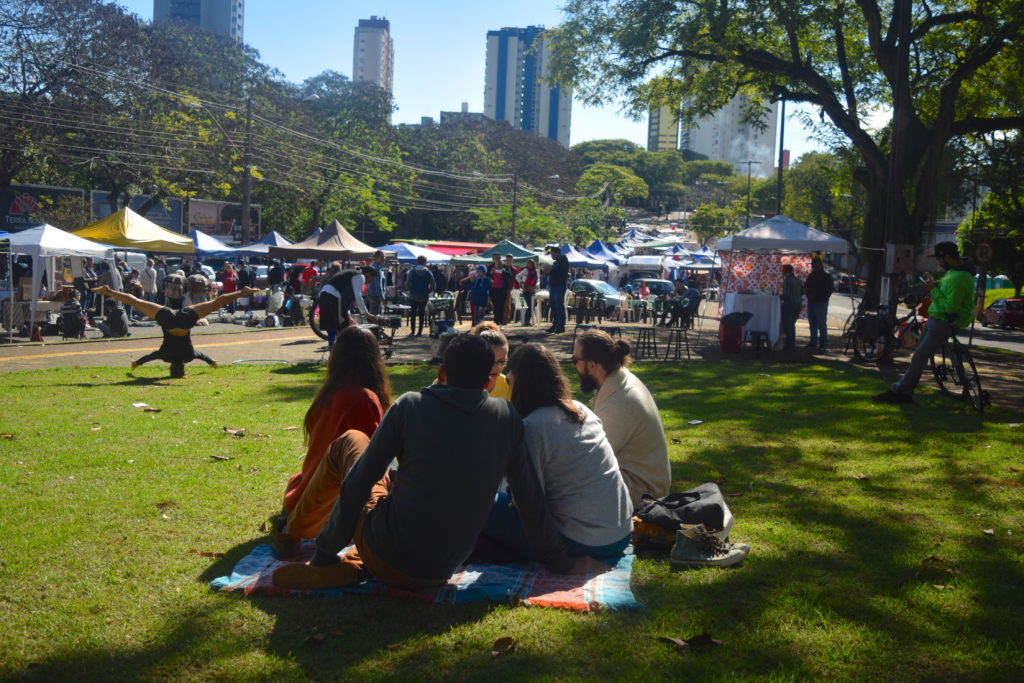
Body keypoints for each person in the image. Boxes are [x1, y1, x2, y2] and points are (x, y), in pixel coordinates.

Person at [271, 334, 592, 591]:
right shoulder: (507, 418)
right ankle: (354, 567)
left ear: (441, 373)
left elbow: (358, 482)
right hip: (442, 569)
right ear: (488, 381)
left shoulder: (409, 405)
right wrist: (558, 561)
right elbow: (529, 499)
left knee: (352, 441)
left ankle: (294, 535)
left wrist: (325, 553)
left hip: (385, 551)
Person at [479, 343, 633, 565]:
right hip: (620, 535)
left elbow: (529, 505)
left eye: (510, 380)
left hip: (583, 543)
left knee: (481, 503)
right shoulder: (581, 409)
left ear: (519, 383)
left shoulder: (532, 428)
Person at [272, 326, 392, 558]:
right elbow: (366, 466)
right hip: (331, 505)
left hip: (303, 494)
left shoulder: (327, 395)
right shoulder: (364, 398)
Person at [572, 330, 671, 508]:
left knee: (565, 489)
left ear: (593, 365)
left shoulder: (619, 403)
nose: (574, 367)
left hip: (643, 493)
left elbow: (589, 460)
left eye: (575, 361)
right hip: (641, 483)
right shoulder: (618, 380)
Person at [873, 242, 977, 404]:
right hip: (936, 318)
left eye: (939, 259)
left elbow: (951, 307)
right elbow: (946, 292)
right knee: (918, 357)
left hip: (944, 321)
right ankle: (905, 392)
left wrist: (933, 290)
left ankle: (898, 390)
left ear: (947, 257)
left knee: (919, 357)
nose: (938, 262)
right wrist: (935, 284)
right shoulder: (953, 273)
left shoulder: (960, 278)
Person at [91, 284, 257, 377]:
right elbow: (150, 356)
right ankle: (108, 291)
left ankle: (243, 292)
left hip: (185, 321)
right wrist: (136, 364)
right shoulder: (166, 356)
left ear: (183, 369)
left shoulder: (189, 356)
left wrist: (213, 363)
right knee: (136, 302)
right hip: (168, 320)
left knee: (216, 303)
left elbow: (204, 356)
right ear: (171, 369)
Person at [318, 266, 379, 350]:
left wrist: (349, 316)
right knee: (342, 325)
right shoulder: (360, 276)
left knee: (331, 324)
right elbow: (358, 296)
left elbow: (345, 301)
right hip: (334, 295)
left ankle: (331, 347)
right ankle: (343, 349)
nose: (368, 283)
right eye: (371, 279)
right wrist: (366, 313)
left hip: (324, 293)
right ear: (368, 274)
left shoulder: (350, 273)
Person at [469, 322, 510, 399]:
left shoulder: (507, 385)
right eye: (489, 361)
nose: (495, 367)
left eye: (501, 361)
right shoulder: (462, 385)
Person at [804, 257, 834, 349]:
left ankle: (823, 343)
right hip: (811, 301)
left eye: (814, 264)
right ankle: (813, 342)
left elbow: (830, 289)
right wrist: (808, 294)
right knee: (812, 323)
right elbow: (806, 286)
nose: (813, 266)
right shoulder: (811, 275)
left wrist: (825, 297)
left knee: (821, 323)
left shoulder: (826, 276)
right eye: (812, 265)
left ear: (820, 265)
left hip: (821, 302)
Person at [405, 255, 435, 337]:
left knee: (413, 314)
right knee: (421, 314)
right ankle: (419, 332)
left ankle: (412, 331)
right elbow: (433, 286)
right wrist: (427, 291)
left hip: (413, 296)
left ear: (417, 262)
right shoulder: (428, 272)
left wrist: (411, 289)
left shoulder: (412, 271)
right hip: (424, 296)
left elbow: (408, 284)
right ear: (425, 262)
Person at [780, 264, 804, 351]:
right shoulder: (797, 280)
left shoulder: (787, 281)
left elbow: (785, 295)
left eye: (783, 271)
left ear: (785, 272)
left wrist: (778, 297)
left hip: (789, 305)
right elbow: (802, 291)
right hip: (798, 305)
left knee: (788, 326)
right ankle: (791, 344)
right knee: (792, 325)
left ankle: (790, 346)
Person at [546, 246, 569, 333]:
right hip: (553, 285)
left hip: (559, 286)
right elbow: (553, 273)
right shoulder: (556, 262)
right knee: (554, 306)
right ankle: (555, 324)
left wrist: (549, 270)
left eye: (552, 253)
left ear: (557, 253)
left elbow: (559, 272)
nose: (551, 255)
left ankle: (561, 326)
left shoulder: (563, 261)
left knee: (559, 305)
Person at [487, 253, 512, 326]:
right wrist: (490, 274)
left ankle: (501, 321)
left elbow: (510, 276)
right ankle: (496, 321)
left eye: (498, 258)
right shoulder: (491, 266)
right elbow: (487, 276)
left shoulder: (505, 266)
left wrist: (505, 271)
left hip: (502, 289)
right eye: (495, 258)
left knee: (501, 306)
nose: (497, 259)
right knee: (495, 306)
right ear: (493, 259)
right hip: (493, 289)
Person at [516, 258, 539, 326]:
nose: (530, 265)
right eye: (528, 263)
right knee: (528, 305)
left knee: (533, 305)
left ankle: (528, 321)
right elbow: (517, 277)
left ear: (533, 264)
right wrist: (521, 282)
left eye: (531, 263)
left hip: (532, 290)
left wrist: (535, 286)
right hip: (526, 290)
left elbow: (536, 280)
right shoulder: (526, 270)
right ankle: (526, 321)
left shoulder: (535, 271)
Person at [366, 250, 387, 315]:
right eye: (382, 257)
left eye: (384, 257)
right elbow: (378, 284)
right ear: (376, 258)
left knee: (372, 314)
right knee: (375, 315)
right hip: (376, 295)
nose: (384, 259)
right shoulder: (376, 268)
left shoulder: (372, 265)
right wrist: (382, 296)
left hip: (371, 293)